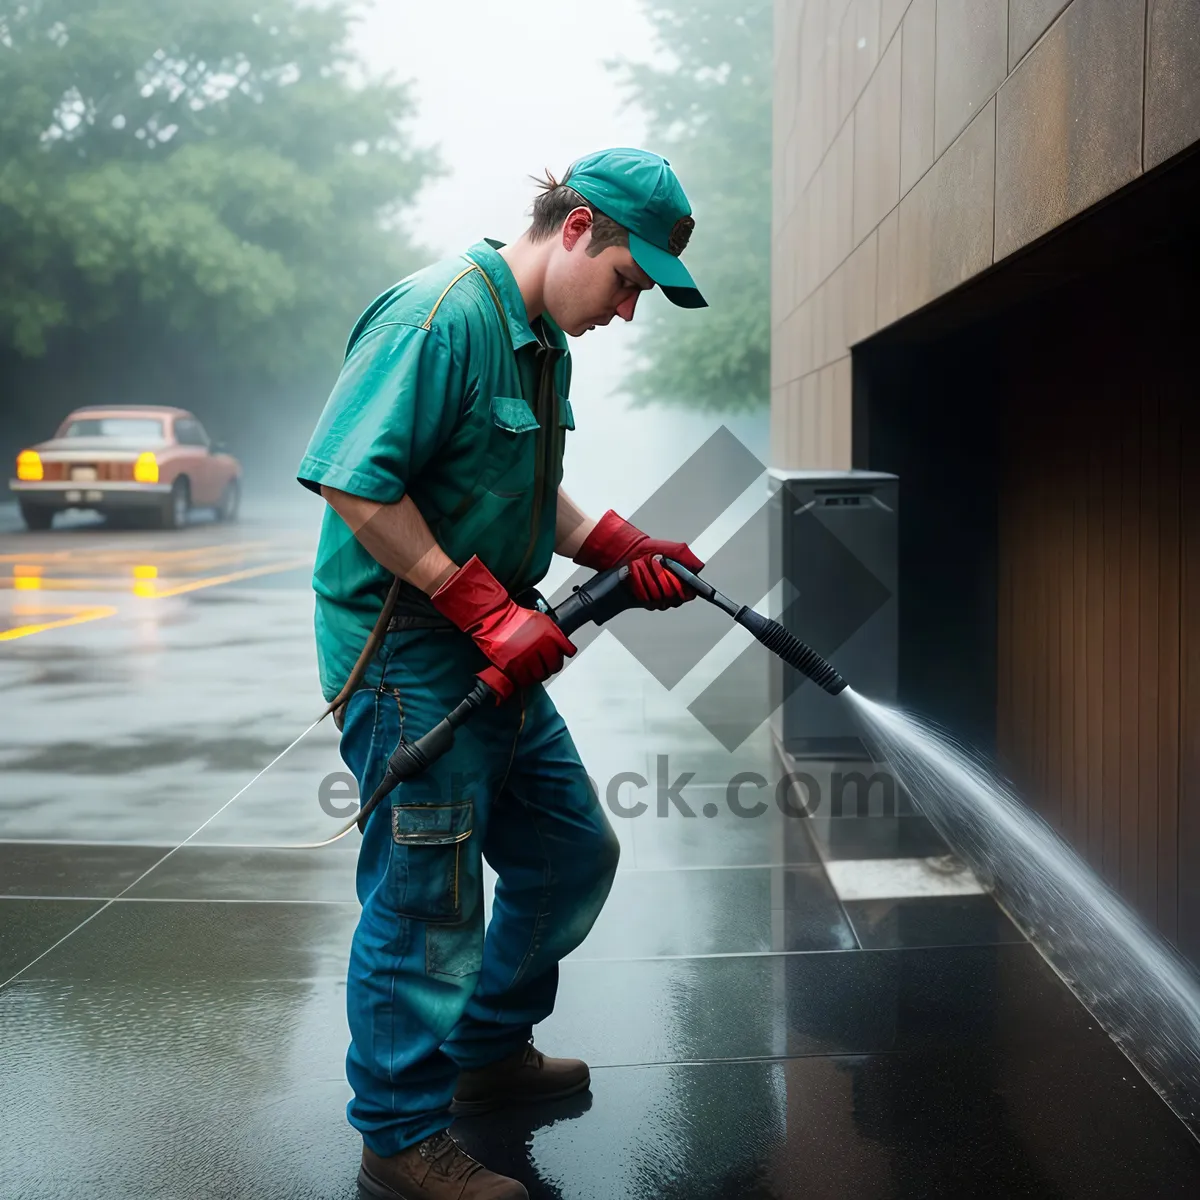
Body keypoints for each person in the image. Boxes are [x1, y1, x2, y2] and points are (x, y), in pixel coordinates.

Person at [297, 147, 708, 1200]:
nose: (628, 313)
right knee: (427, 903)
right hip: (405, 660)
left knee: (572, 850)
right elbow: (353, 482)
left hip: (493, 645)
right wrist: (481, 604)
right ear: (577, 228)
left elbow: (533, 486)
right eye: (628, 283)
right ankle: (399, 1137)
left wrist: (614, 542)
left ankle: (482, 1053)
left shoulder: (541, 344)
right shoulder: (437, 318)